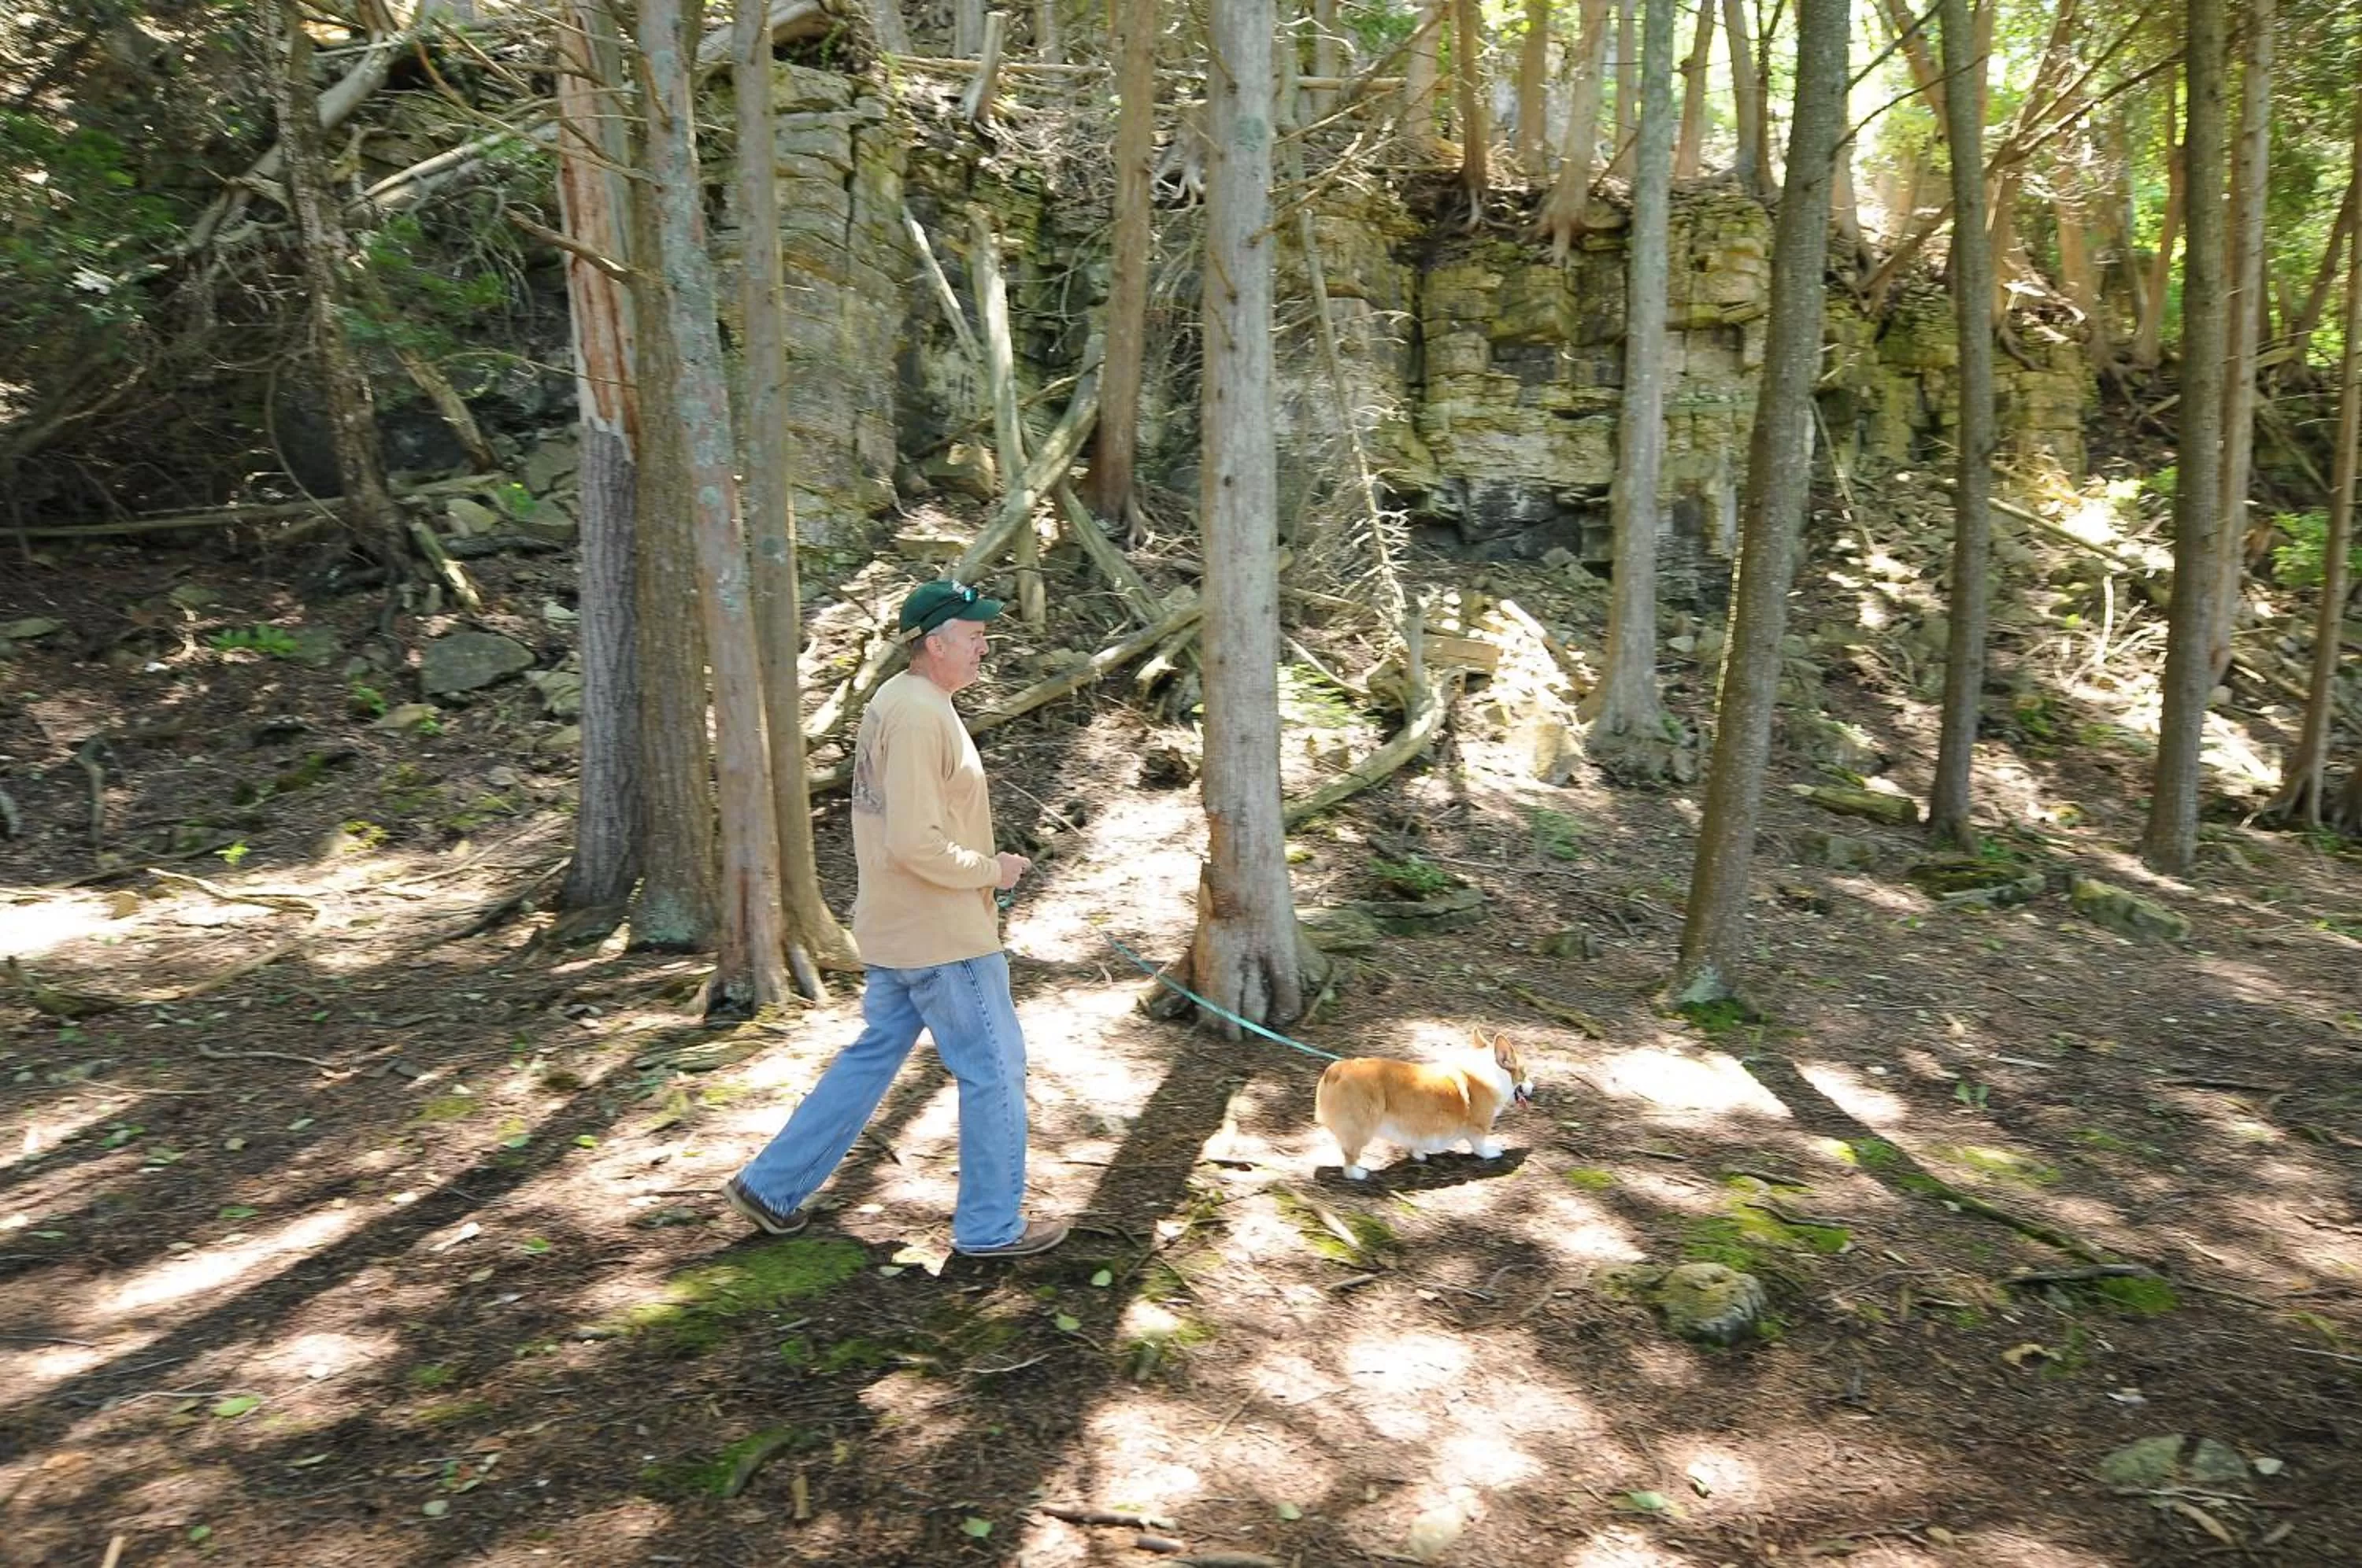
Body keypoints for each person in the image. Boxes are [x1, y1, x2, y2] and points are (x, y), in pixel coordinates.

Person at [722, 578, 1068, 1258]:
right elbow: (914, 842)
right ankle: (990, 1227)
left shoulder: (903, 701)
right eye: (974, 636)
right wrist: (990, 871)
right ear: (935, 643)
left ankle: (771, 1186)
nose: (984, 647)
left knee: (874, 1054)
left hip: (900, 929)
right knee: (995, 1069)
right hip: (942, 937)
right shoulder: (916, 715)